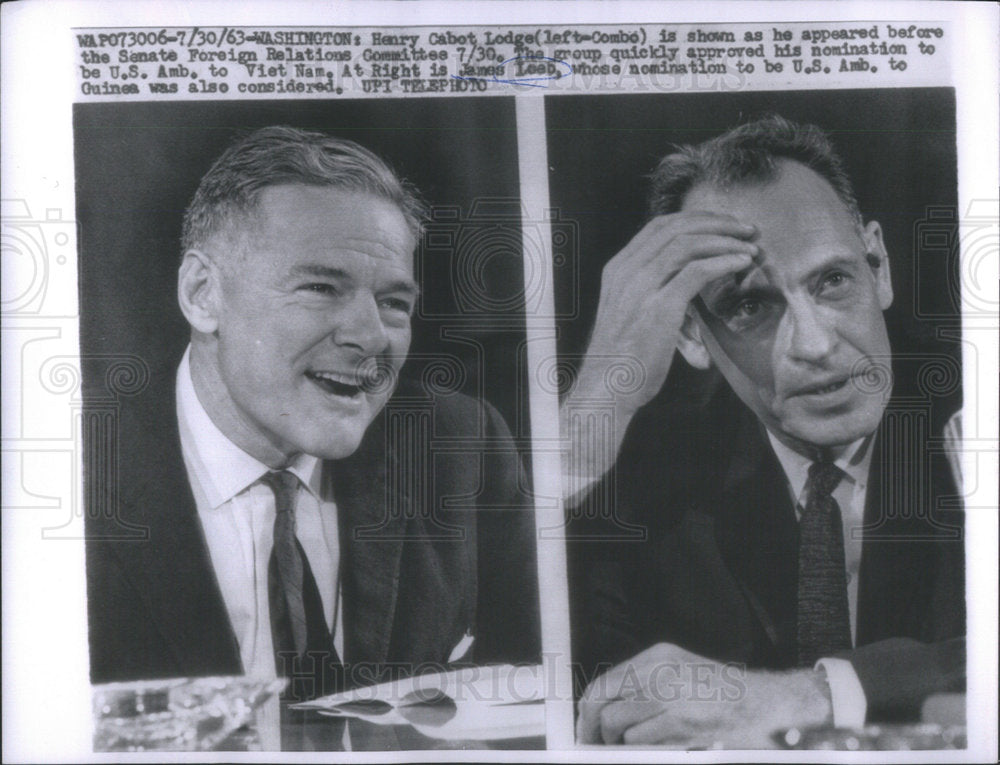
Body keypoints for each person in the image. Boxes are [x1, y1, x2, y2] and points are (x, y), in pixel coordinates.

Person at [85, 126, 539, 702]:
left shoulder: (459, 445)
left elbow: (545, 681)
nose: (371, 335)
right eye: (321, 288)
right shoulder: (73, 468)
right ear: (203, 294)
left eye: (394, 303)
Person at [563, 116, 965, 746]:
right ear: (693, 334)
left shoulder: (975, 410)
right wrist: (597, 401)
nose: (814, 343)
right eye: (750, 306)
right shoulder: (654, 484)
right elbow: (526, 670)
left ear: (879, 265)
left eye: (832, 281)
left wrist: (808, 696)